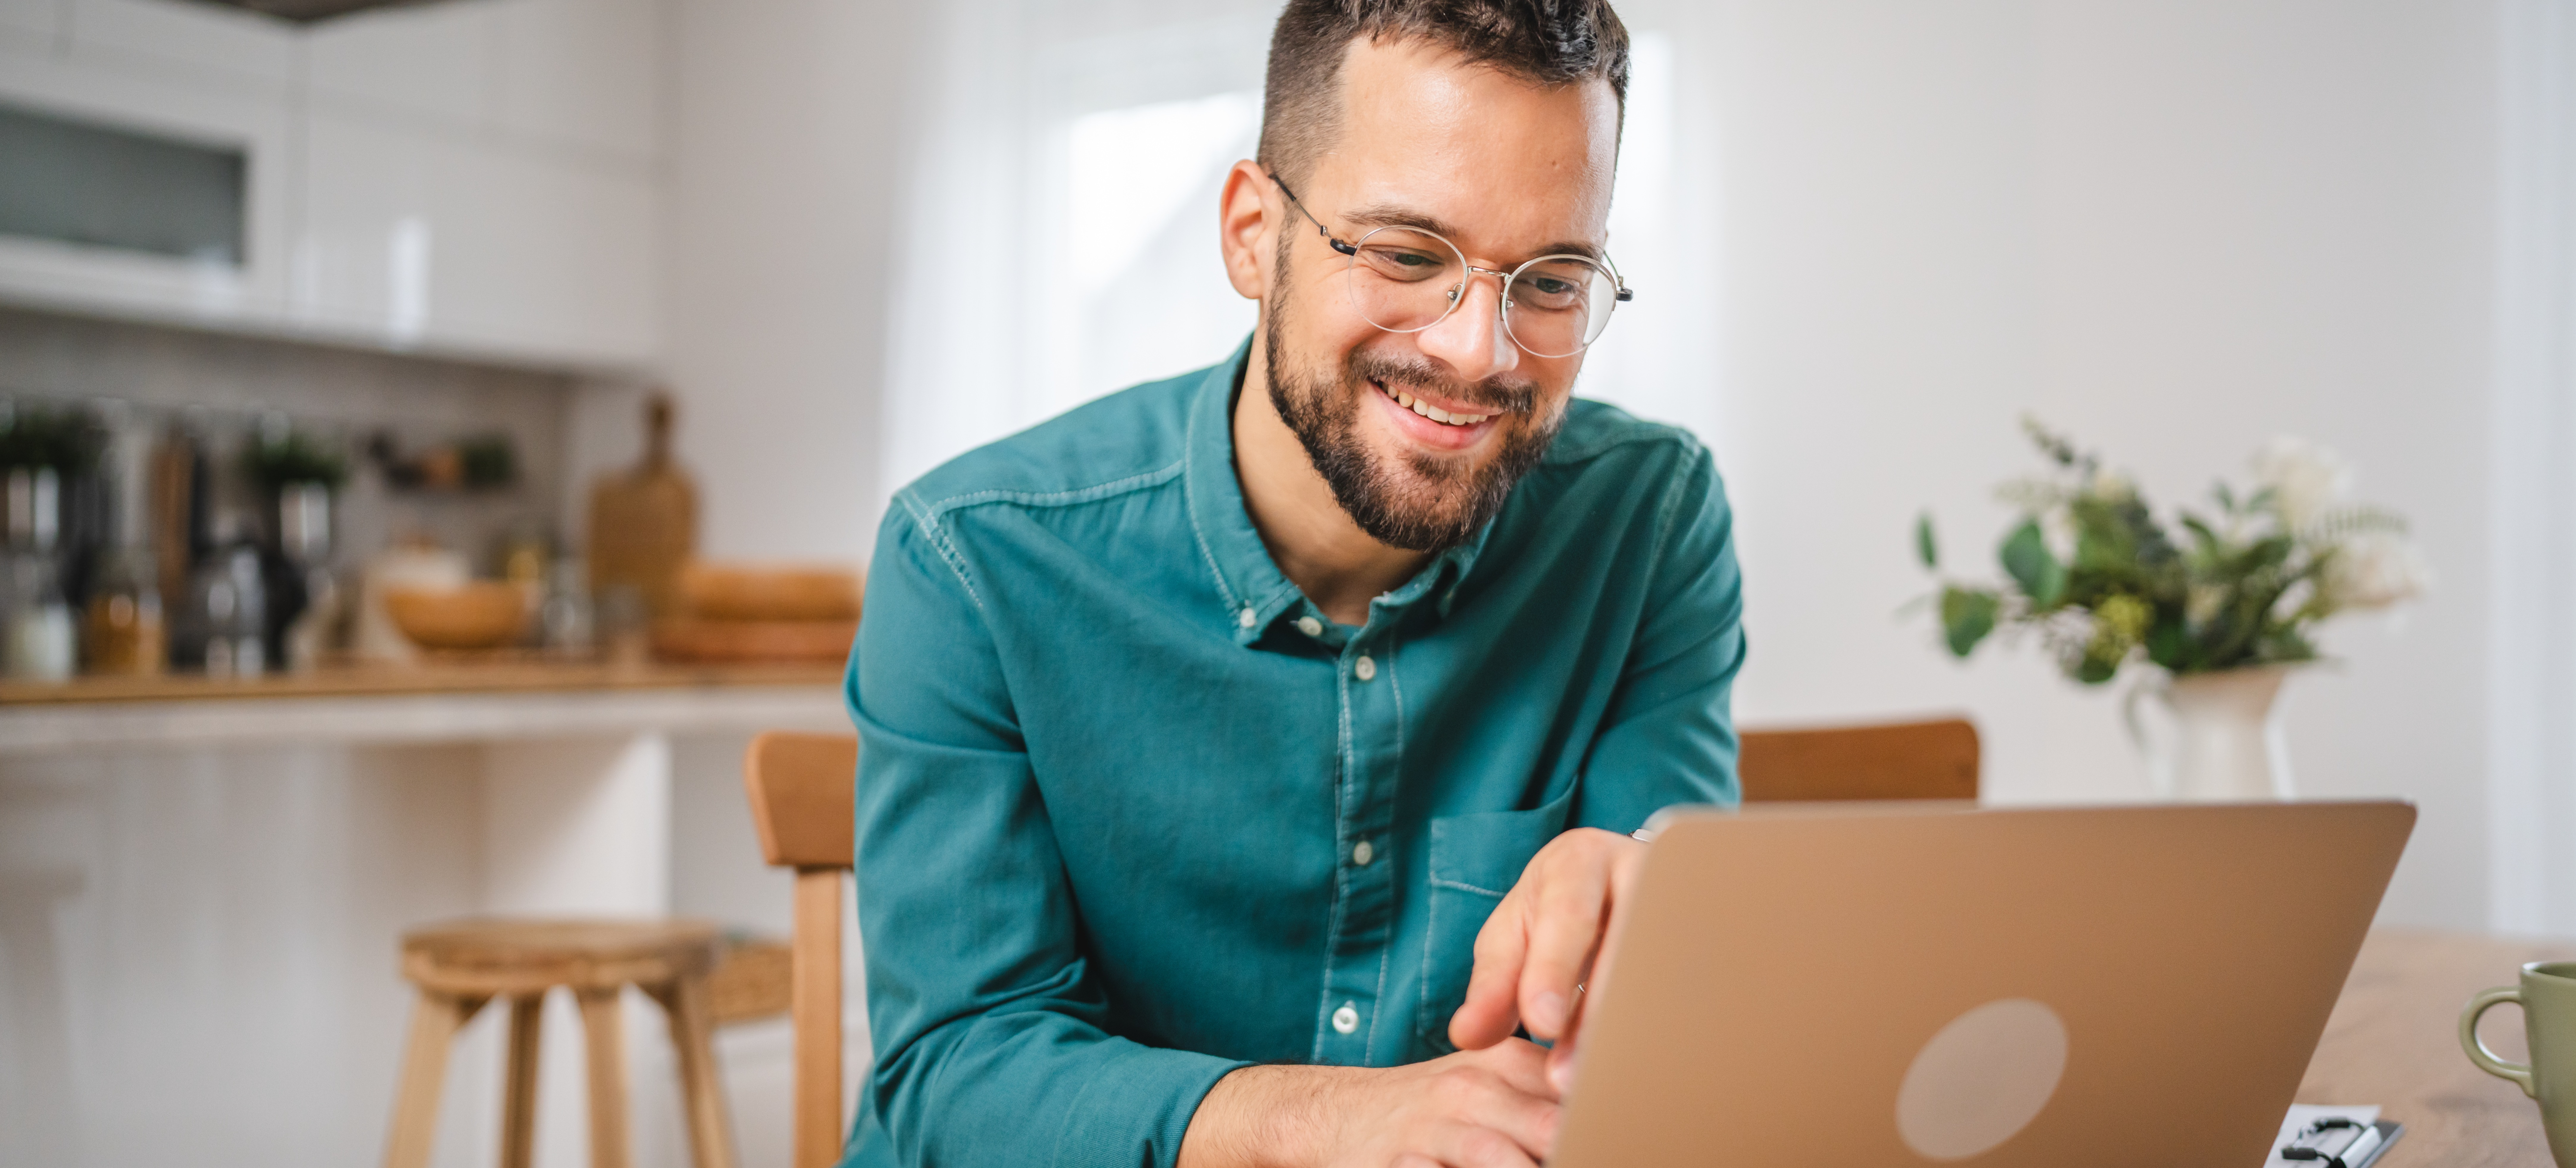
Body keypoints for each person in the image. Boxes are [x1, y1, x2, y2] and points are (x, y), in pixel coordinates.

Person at [844, 1, 1743, 1165]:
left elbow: (1653, 1040)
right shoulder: (973, 557)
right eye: (1408, 255)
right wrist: (1332, 1125)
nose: (1480, 352)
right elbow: (954, 1073)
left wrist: (1636, 899)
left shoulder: (1647, 517)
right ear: (1250, 237)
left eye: (1554, 280)